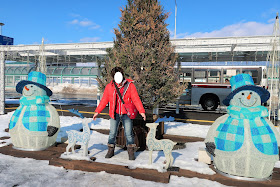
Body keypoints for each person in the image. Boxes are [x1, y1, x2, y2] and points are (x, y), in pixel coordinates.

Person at [93, 67, 146, 160]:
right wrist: (97, 111)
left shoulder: (129, 85)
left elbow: (136, 99)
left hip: (126, 113)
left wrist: (142, 111)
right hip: (114, 113)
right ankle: (110, 150)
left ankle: (130, 151)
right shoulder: (109, 87)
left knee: (129, 133)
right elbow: (104, 100)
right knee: (112, 132)